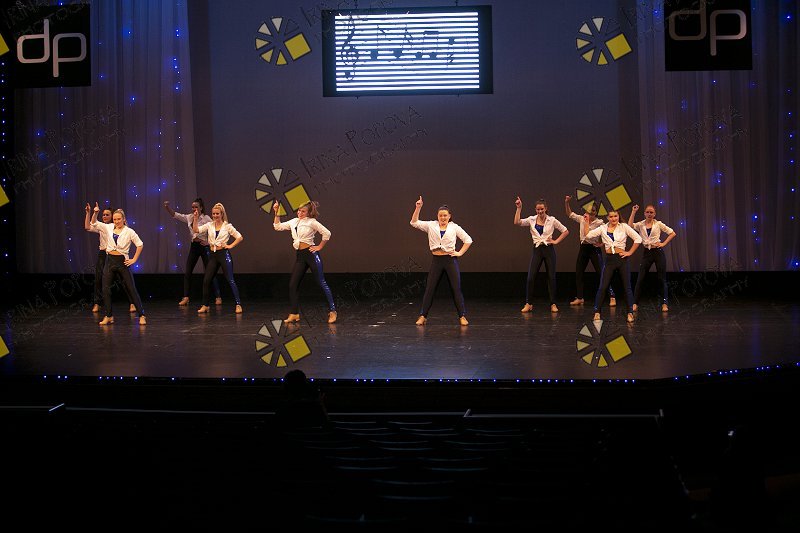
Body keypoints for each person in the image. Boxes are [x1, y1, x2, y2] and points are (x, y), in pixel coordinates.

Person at [410, 196, 473, 325]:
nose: (442, 218)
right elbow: (414, 222)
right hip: (437, 261)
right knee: (430, 289)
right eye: (440, 215)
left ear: (449, 216)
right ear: (437, 216)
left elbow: (468, 240)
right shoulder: (431, 225)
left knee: (456, 289)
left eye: (445, 215)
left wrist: (459, 253)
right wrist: (418, 207)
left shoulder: (454, 227)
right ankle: (423, 316)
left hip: (450, 261)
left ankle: (462, 316)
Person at [273, 200, 337, 324]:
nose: (300, 213)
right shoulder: (294, 222)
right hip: (300, 256)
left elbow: (327, 233)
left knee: (321, 282)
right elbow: (277, 226)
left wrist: (319, 247)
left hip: (311, 255)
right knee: (293, 284)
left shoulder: (311, 222)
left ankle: (333, 311)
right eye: (299, 211)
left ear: (308, 213)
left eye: (303, 211)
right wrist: (277, 212)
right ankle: (294, 314)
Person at [89, 205, 147, 325]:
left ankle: (142, 315)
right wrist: (95, 213)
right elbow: (94, 223)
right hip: (109, 261)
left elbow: (140, 244)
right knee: (105, 289)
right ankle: (109, 316)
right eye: (115, 219)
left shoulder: (129, 231)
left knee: (131, 288)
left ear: (124, 219)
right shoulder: (109, 227)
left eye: (119, 219)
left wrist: (134, 259)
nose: (116, 221)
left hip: (122, 262)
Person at [583, 209, 641, 323]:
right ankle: (597, 312)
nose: (613, 218)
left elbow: (638, 239)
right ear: (607, 218)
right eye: (611, 217)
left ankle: (630, 312)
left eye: (615, 216)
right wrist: (586, 222)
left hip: (622, 259)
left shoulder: (624, 227)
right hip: (609, 260)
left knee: (627, 287)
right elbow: (588, 236)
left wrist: (629, 252)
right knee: (603, 286)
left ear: (618, 217)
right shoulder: (603, 228)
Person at [163, 198, 222, 307]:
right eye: (193, 207)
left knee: (210, 272)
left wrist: (208, 242)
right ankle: (186, 297)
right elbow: (176, 215)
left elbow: (215, 230)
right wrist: (167, 207)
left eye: (196, 207)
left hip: (204, 247)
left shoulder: (206, 218)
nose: (194, 209)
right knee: (188, 272)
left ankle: (218, 296)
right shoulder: (189, 217)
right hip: (194, 246)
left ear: (201, 208)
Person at [515, 197, 569, 313]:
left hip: (549, 250)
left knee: (551, 277)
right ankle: (528, 303)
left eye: (542, 209)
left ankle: (553, 303)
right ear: (536, 210)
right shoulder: (531, 219)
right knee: (531, 277)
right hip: (537, 250)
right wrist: (519, 208)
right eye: (538, 209)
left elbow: (565, 231)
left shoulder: (552, 220)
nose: (540, 211)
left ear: (546, 209)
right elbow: (517, 222)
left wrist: (556, 241)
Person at [84, 203, 136, 314]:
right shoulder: (102, 227)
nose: (104, 216)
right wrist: (89, 213)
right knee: (98, 278)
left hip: (116, 255)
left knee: (124, 280)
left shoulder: (116, 226)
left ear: (113, 216)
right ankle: (97, 303)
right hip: (103, 254)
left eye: (107, 215)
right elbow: (88, 226)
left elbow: (127, 231)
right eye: (103, 215)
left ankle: (132, 302)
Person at [564, 196, 616, 307]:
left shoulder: (599, 222)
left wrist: (602, 243)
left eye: (593, 211)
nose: (591, 213)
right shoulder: (582, 219)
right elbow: (569, 214)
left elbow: (608, 233)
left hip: (594, 249)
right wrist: (567, 202)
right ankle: (580, 297)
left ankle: (612, 296)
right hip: (583, 248)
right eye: (589, 211)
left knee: (601, 273)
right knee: (579, 272)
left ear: (596, 212)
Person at [192, 203, 243, 314]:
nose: (215, 216)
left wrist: (230, 246)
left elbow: (239, 237)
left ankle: (238, 304)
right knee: (206, 280)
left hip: (223, 254)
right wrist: (195, 219)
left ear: (222, 214)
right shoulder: (209, 225)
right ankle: (205, 305)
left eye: (217, 214)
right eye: (213, 214)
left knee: (230, 280)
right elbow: (196, 230)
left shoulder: (227, 226)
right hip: (213, 256)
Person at [628, 204, 677, 312]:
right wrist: (633, 212)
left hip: (658, 252)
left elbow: (672, 233)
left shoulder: (658, 224)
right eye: (647, 212)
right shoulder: (641, 224)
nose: (649, 214)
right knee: (640, 278)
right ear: (644, 213)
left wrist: (663, 243)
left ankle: (664, 303)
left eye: (651, 212)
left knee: (661, 278)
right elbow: (630, 225)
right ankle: (635, 303)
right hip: (647, 253)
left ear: (654, 214)